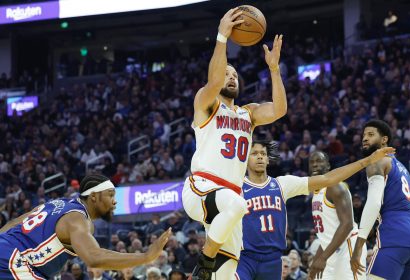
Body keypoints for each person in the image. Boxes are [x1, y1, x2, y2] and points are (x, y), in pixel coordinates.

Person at [182, 6, 288, 280]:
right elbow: (214, 79)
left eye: (234, 74)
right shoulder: (205, 104)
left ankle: (211, 269)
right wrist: (222, 36)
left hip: (229, 196)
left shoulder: (248, 113)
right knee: (240, 205)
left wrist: (274, 70)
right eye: (226, 72)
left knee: (228, 273)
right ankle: (204, 262)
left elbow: (279, 110)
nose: (230, 76)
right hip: (202, 187)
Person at [235, 140, 393, 280]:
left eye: (263, 153)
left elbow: (331, 181)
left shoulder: (284, 184)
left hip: (339, 250)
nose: (260, 156)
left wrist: (368, 160)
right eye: (254, 153)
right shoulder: (237, 187)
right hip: (247, 257)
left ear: (269, 159)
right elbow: (326, 236)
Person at [0, 174, 171, 279]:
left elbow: (12, 223)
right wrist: (146, 257)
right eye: (110, 195)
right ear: (94, 197)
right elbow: (94, 258)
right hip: (13, 260)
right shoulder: (78, 219)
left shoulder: (57, 203)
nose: (115, 201)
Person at [351, 120, 410, 280]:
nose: (364, 139)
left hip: (396, 233)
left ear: (384, 140)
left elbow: (374, 203)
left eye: (370, 134)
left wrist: (359, 245)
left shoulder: (377, 161)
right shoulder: (401, 167)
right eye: (363, 135)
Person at [308, 151, 367, 280]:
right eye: (311, 162)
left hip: (348, 248)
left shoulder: (335, 186)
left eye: (319, 161)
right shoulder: (316, 193)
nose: (315, 165)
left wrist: (322, 258)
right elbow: (326, 236)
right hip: (331, 251)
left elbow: (347, 225)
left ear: (328, 166)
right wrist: (315, 261)